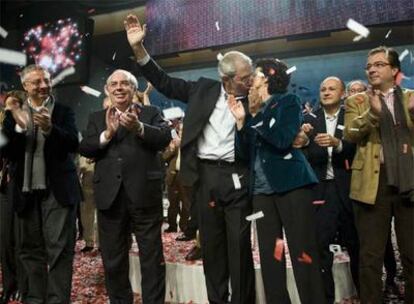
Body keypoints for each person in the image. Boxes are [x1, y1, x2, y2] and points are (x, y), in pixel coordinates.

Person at [124, 14, 256, 303]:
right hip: (205, 178)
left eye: (251, 75)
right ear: (227, 78)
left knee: (240, 246)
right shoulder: (202, 89)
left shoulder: (255, 99)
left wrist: (245, 120)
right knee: (212, 247)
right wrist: (139, 49)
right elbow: (164, 81)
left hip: (238, 178)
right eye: (246, 77)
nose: (251, 80)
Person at [228, 58, 326, 304]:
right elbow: (242, 155)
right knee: (271, 258)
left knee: (303, 253)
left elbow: (282, 139)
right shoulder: (252, 109)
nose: (251, 79)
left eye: (256, 74)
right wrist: (242, 122)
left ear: (269, 78)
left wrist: (255, 114)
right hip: (261, 194)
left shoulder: (287, 102)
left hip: (292, 186)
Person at [79, 69, 171, 304]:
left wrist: (139, 128)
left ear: (133, 89)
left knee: (151, 259)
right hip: (110, 198)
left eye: (125, 84)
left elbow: (164, 139)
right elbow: (86, 148)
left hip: (144, 196)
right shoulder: (96, 118)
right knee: (113, 261)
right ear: (107, 90)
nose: (119, 88)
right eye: (114, 84)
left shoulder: (151, 113)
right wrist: (107, 134)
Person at [1, 65, 81, 304]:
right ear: (26, 86)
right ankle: (35, 298)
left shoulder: (63, 112)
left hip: (58, 191)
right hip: (25, 192)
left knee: (59, 250)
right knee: (28, 249)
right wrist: (18, 126)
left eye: (46, 80)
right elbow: (7, 151)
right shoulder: (12, 115)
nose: (44, 85)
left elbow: (72, 145)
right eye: (37, 82)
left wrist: (49, 128)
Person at [344, 46, 414, 304]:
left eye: (379, 64)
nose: (372, 69)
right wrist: (372, 113)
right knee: (370, 257)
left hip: (409, 180)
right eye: (369, 66)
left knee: (411, 253)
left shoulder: (410, 98)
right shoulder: (357, 101)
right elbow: (349, 133)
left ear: (394, 70)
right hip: (373, 183)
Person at [302, 77, 359, 303]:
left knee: (356, 245)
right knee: (320, 247)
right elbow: (301, 155)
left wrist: (339, 144)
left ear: (343, 93)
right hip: (320, 193)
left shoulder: (352, 116)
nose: (326, 92)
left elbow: (358, 149)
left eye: (332, 89)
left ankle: (363, 293)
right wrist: (303, 140)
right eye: (323, 89)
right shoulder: (309, 120)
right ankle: (325, 298)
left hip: (348, 190)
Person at [0, 90, 27, 303]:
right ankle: (9, 285)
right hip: (3, 188)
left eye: (14, 104)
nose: (9, 108)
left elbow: (15, 150)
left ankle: (23, 284)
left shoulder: (25, 126)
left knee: (21, 241)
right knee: (5, 241)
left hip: (22, 188)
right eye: (7, 105)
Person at [163, 120, 191, 233]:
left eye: (184, 130)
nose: (182, 132)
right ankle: (172, 226)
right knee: (172, 203)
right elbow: (164, 157)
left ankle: (184, 226)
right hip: (173, 176)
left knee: (186, 203)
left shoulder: (190, 143)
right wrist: (172, 149)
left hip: (186, 176)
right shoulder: (172, 141)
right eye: (180, 130)